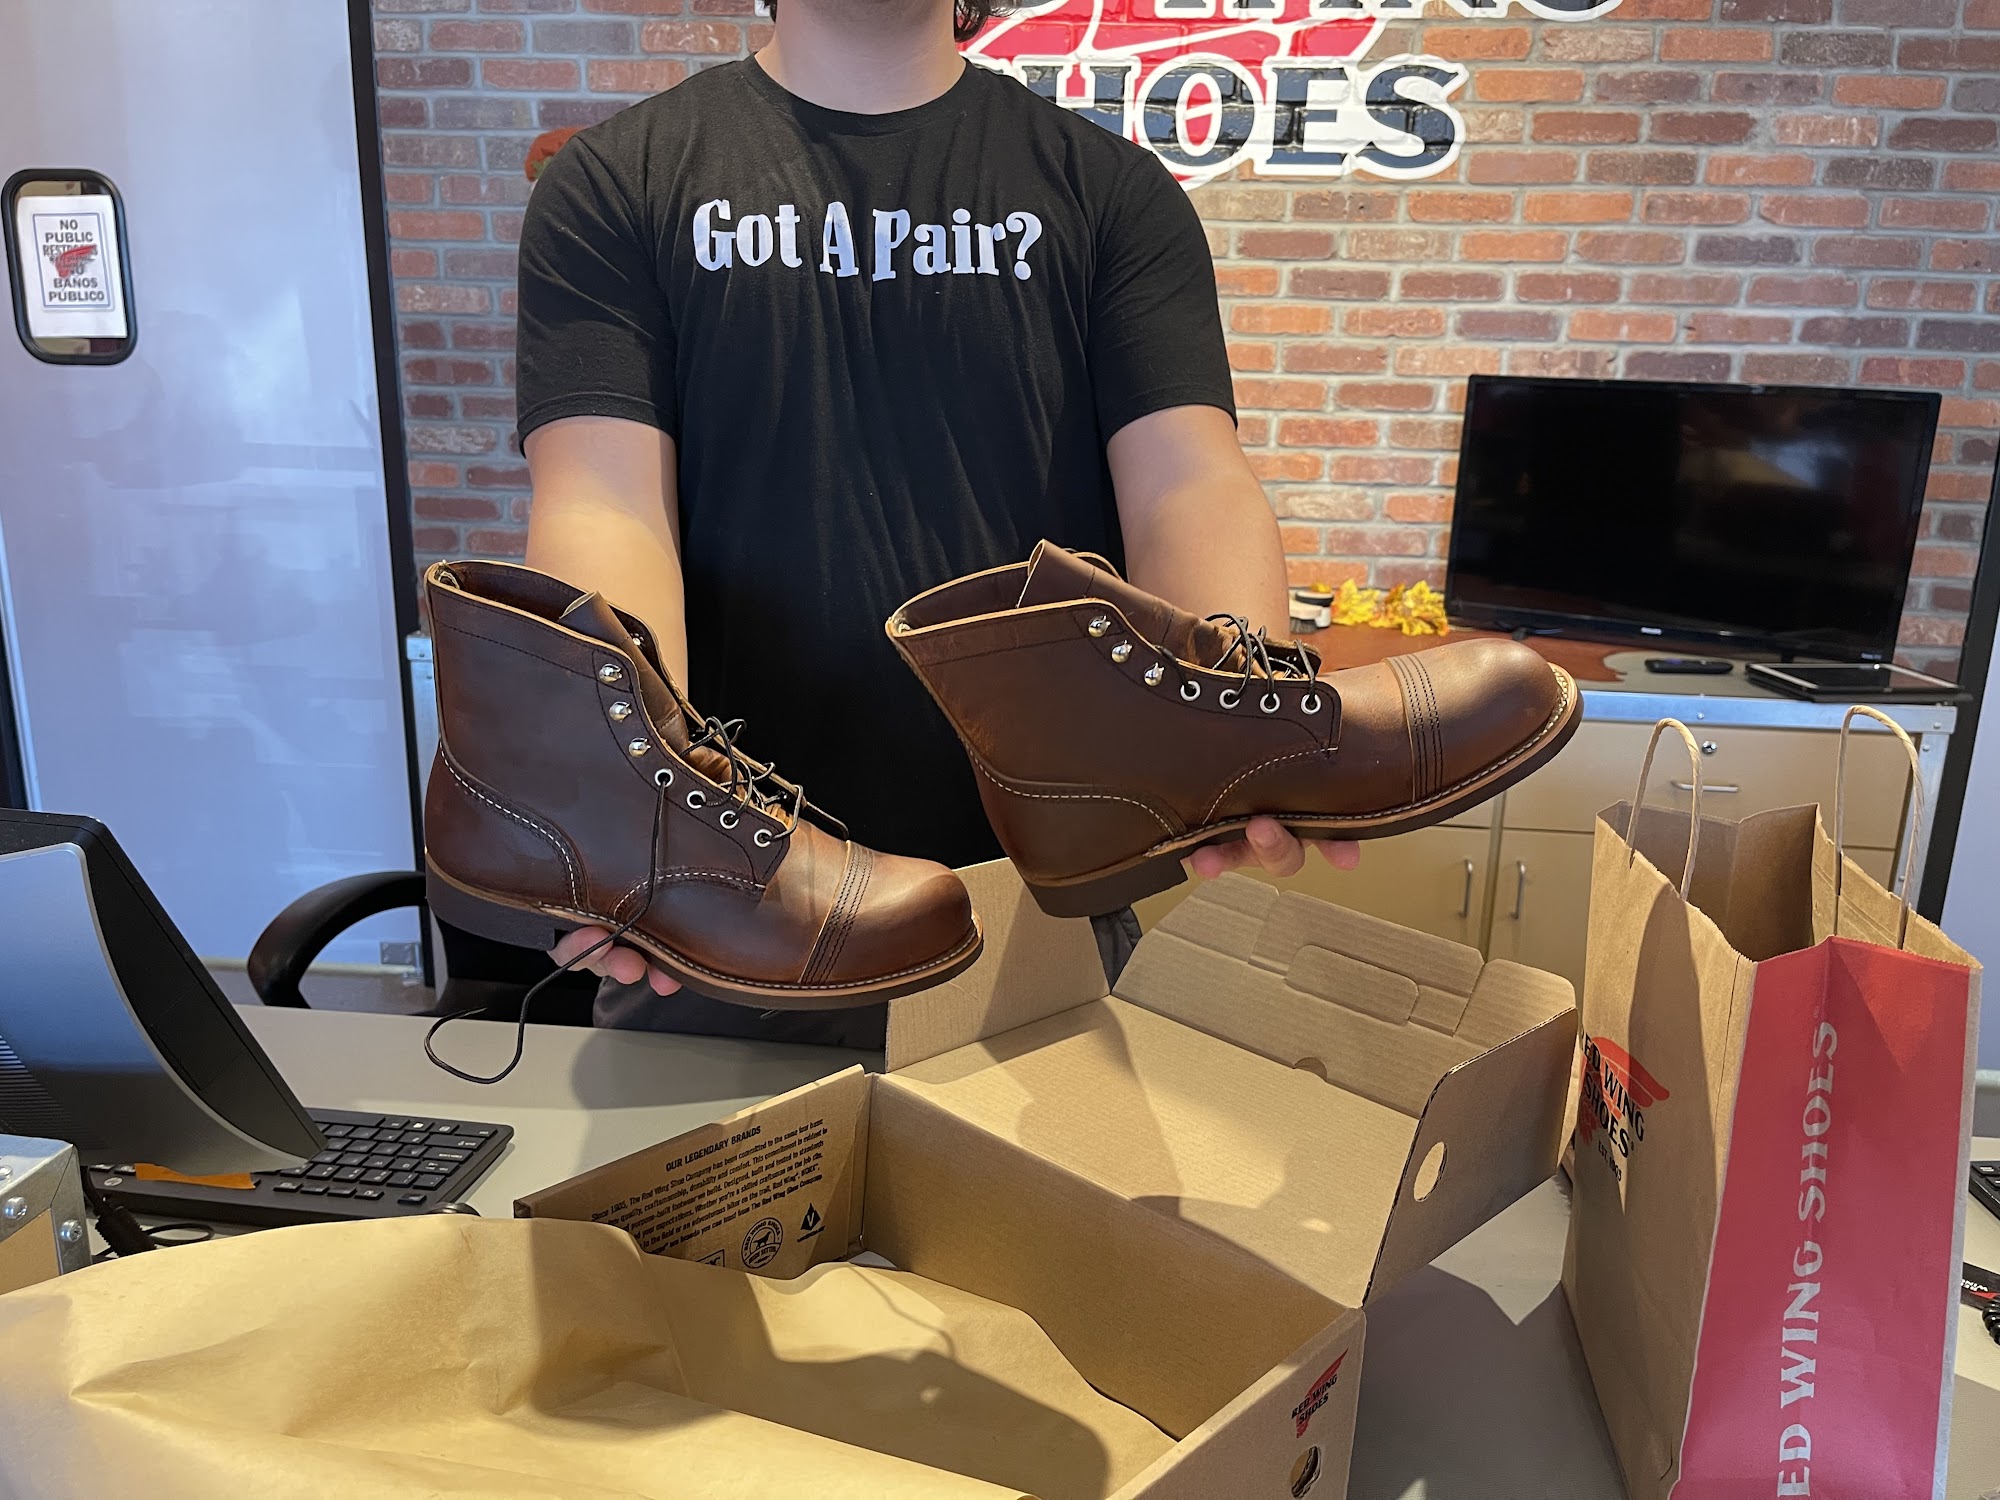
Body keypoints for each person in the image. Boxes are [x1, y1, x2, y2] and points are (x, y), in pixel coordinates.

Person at [512, 0, 1358, 1040]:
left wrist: (1243, 727)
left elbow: (1187, 482)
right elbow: (602, 503)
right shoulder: (615, 183)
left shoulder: (1111, 191)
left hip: (1037, 907)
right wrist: (621, 801)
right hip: (720, 908)